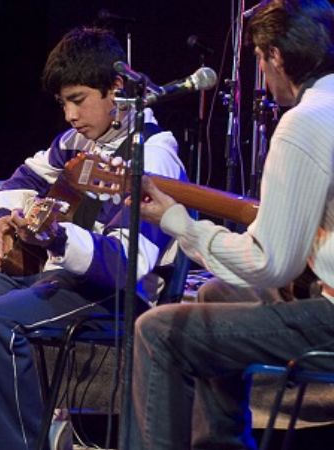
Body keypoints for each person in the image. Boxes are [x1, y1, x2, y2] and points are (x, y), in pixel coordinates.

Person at [0, 27, 186, 450]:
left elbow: (129, 263)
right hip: (56, 278)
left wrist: (58, 238)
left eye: (78, 99)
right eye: (63, 103)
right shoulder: (73, 142)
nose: (69, 115)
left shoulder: (153, 155)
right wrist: (2, 218)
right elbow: (24, 178)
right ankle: (29, 433)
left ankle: (17, 437)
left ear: (117, 89)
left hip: (115, 293)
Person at [130, 1, 334, 448]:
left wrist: (176, 221)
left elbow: (269, 264)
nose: (262, 70)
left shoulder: (304, 123)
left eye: (260, 59)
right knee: (215, 292)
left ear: (276, 57)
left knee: (157, 332)